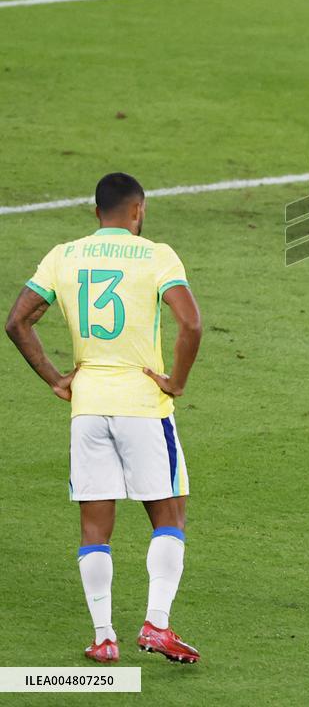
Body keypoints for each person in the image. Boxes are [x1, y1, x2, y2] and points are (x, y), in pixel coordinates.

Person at [5, 173, 203, 663]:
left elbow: (17, 321)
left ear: (97, 213)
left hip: (87, 407)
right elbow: (191, 322)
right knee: (169, 515)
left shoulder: (63, 255)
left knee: (95, 527)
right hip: (142, 404)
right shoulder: (158, 254)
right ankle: (156, 625)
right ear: (138, 211)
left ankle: (103, 637)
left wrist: (56, 377)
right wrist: (175, 381)